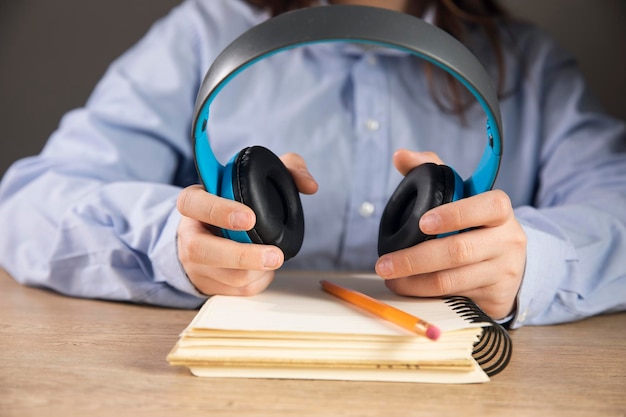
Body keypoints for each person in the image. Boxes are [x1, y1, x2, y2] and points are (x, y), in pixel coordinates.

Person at [0, 0, 624, 329]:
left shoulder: (530, 66)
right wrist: (172, 242)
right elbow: (25, 206)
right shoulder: (201, 34)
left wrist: (528, 262)